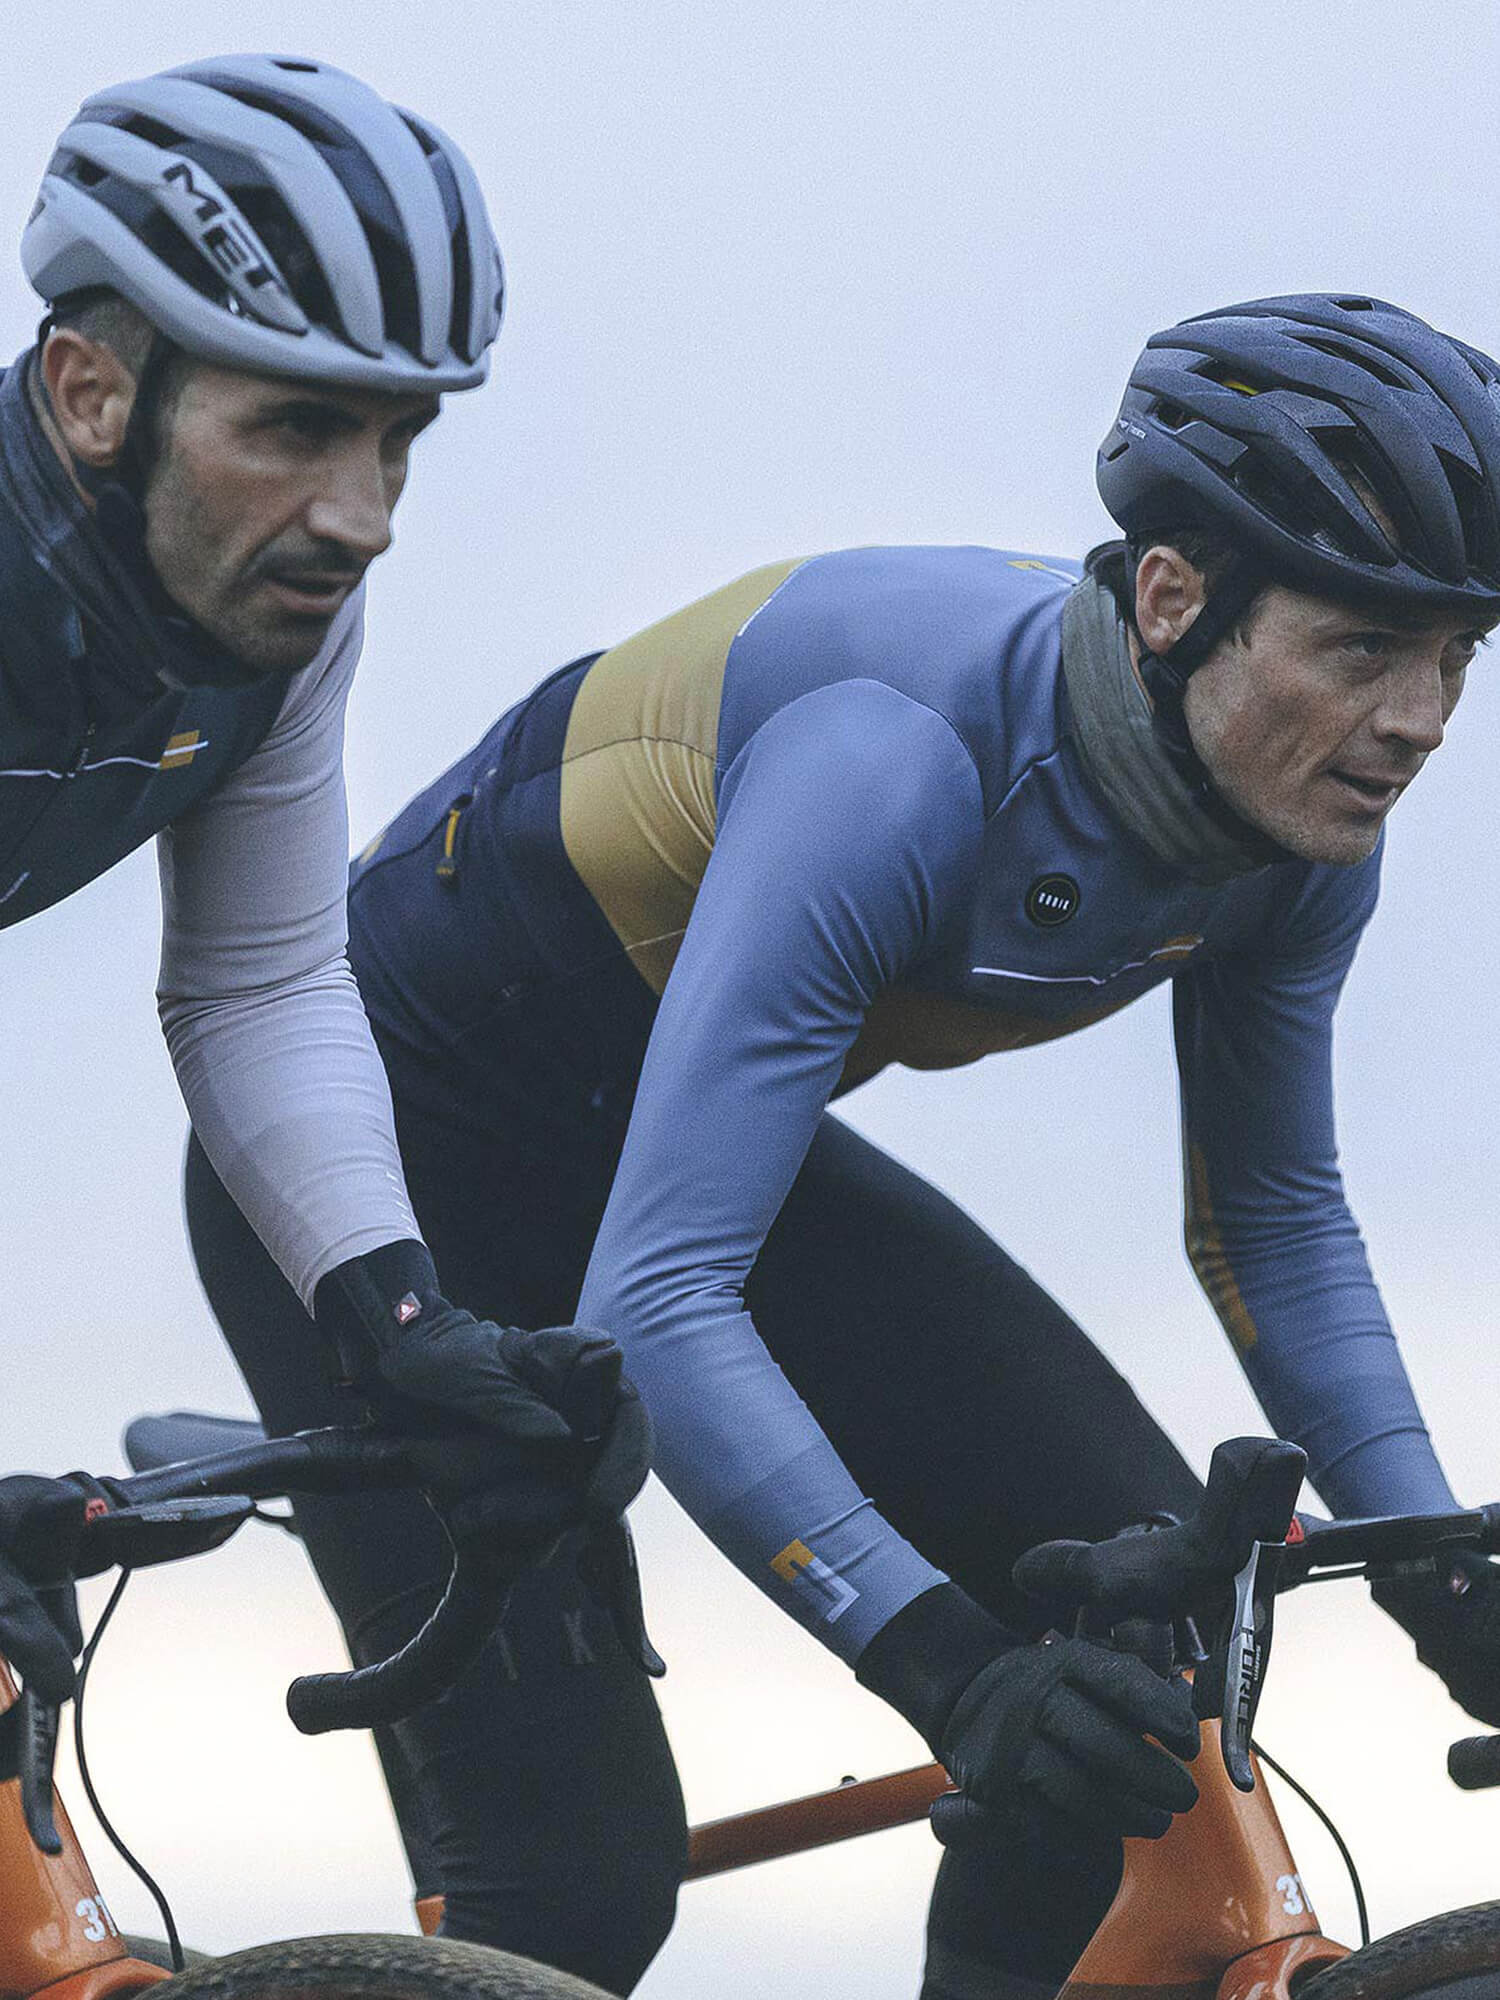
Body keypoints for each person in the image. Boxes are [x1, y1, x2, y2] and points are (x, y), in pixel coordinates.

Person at [184, 293, 1500, 1998]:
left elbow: (1274, 1222)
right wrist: (946, 1668)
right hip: (378, 1209)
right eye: (1361, 650)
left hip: (671, 1155)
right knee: (578, 1885)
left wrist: (1435, 1559)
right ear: (1175, 599)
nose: (1418, 720)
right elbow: (662, 1297)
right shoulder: (895, 760)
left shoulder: (1306, 831)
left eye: (1457, 657)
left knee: (1142, 1657)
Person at [0, 51, 648, 1787]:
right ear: (87, 394)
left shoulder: (266, 611)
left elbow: (258, 981)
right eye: (293, 427)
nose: (361, 516)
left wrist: (400, 1322)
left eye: (398, 438)